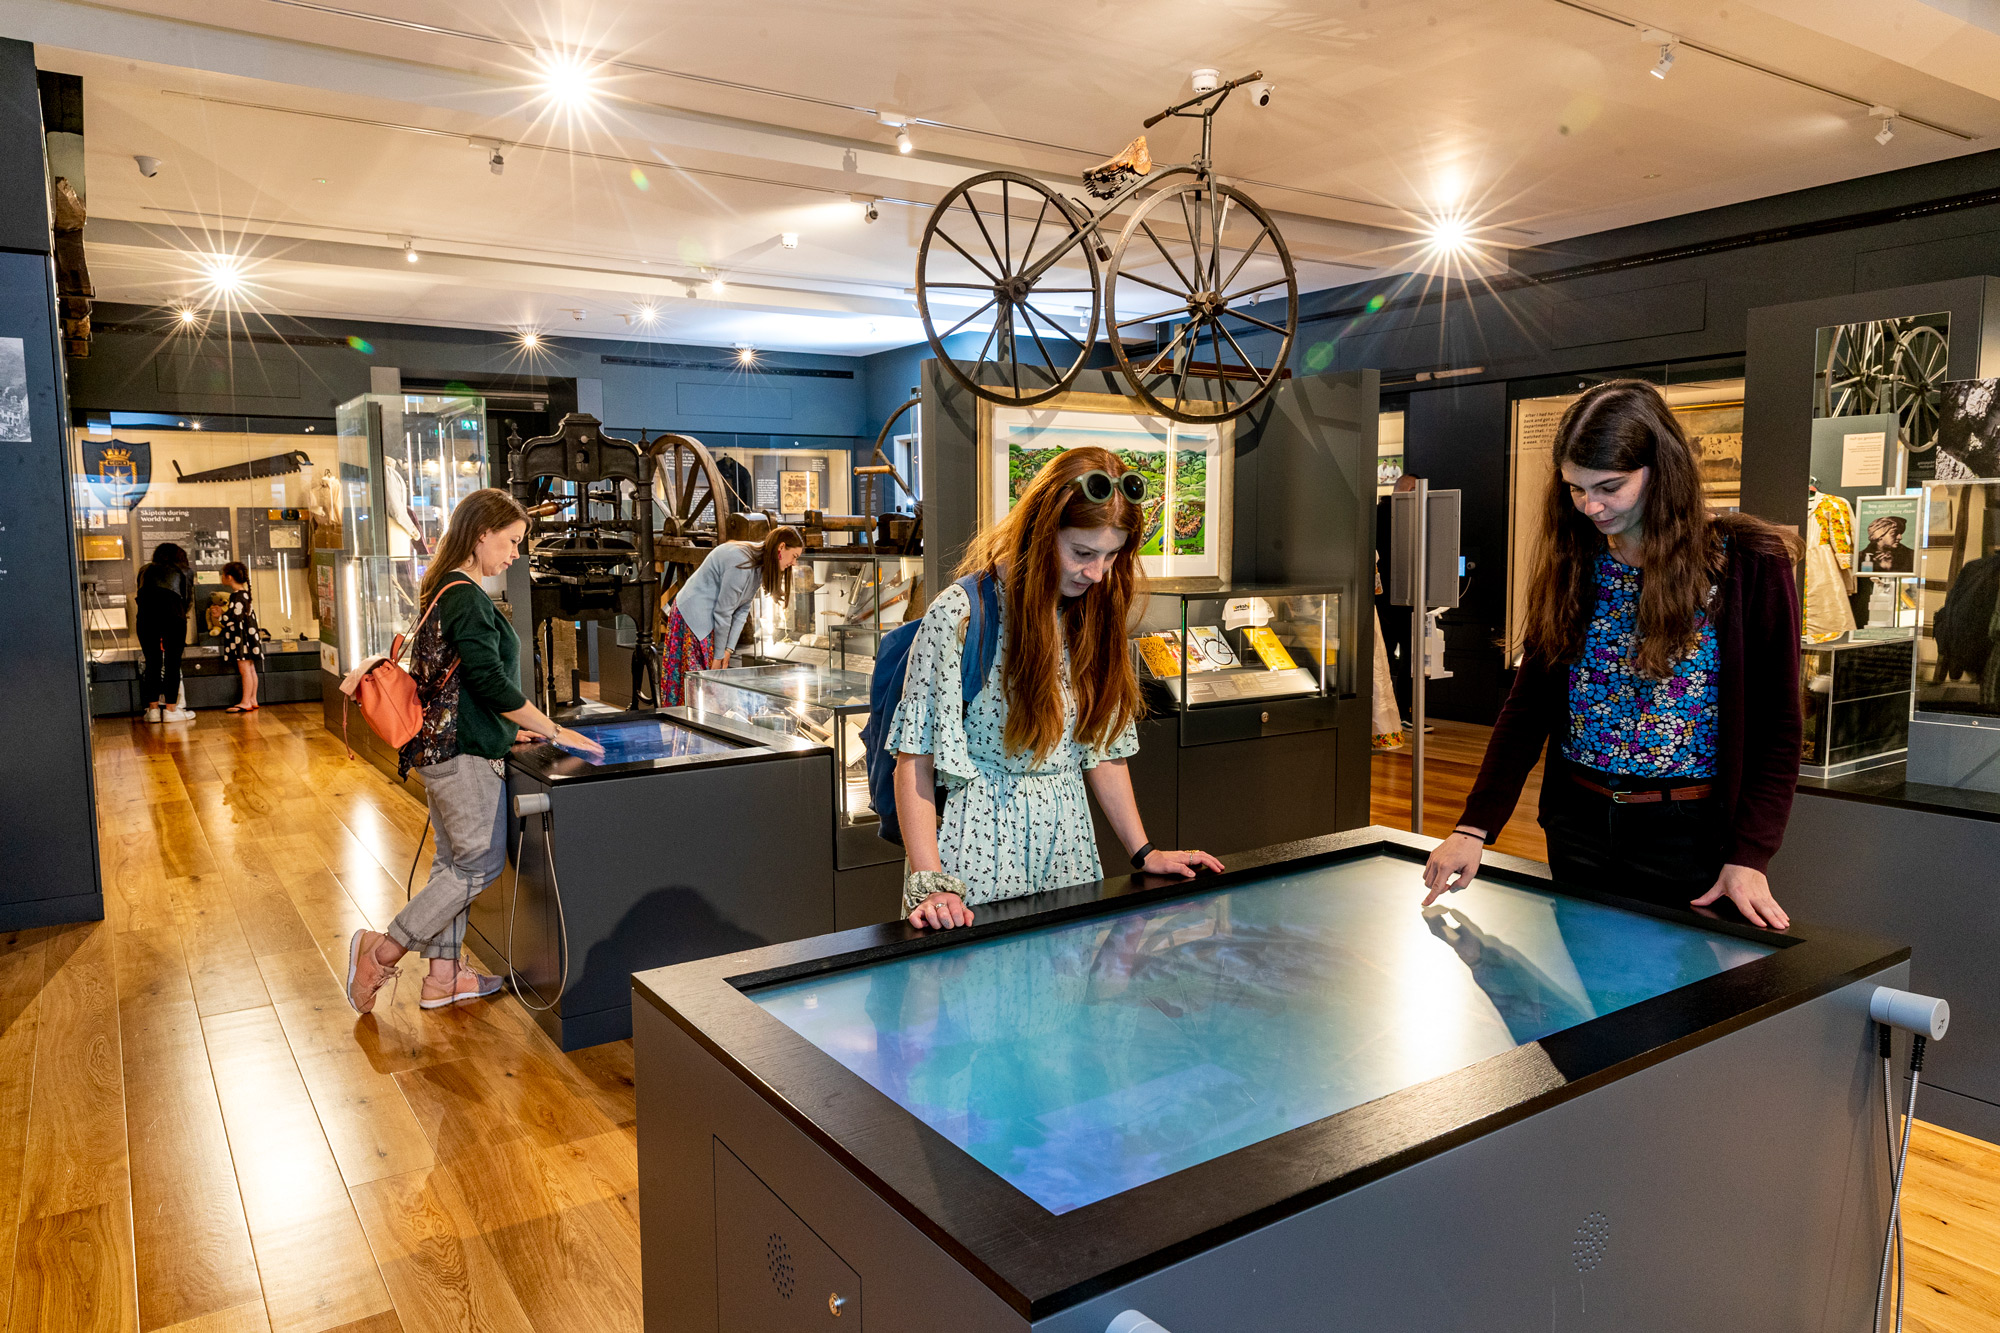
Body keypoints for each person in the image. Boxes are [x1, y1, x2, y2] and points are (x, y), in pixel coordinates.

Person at [1420, 380, 1803, 929]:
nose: (1591, 506)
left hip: (1692, 837)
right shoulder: (1575, 561)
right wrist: (1473, 826)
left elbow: (1777, 725)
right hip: (1578, 826)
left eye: (1610, 486)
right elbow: (1528, 708)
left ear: (1661, 471)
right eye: (1575, 488)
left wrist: (1750, 854)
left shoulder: (1748, 562)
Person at [891, 446, 1223, 931]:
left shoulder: (1093, 610)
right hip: (977, 845)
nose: (1097, 572)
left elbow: (1101, 747)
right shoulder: (959, 614)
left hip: (1067, 843)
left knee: (1067, 972)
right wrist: (931, 884)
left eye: (1111, 555)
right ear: (1040, 533)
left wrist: (1144, 851)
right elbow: (915, 760)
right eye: (1082, 553)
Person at [345, 488, 605, 1014]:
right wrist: (552, 729)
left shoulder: (443, 587)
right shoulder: (464, 595)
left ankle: (442, 979)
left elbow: (463, 685)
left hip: (443, 749)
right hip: (462, 755)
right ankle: (381, 951)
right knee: (477, 869)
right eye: (511, 541)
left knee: (453, 865)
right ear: (481, 534)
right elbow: (488, 682)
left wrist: (508, 732)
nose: (514, 554)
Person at [660, 525, 804, 704]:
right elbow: (723, 613)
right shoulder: (741, 562)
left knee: (710, 677)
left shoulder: (759, 564)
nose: (794, 563)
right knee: (697, 680)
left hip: (712, 616)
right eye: (794, 556)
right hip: (692, 614)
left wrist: (728, 650)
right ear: (781, 547)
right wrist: (718, 657)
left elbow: (743, 609)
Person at [135, 542, 195, 723]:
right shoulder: (184, 571)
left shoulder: (144, 570)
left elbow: (141, 594)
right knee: (172, 663)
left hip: (146, 619)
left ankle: (153, 710)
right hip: (174, 618)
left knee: (152, 662)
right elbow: (187, 599)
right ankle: (170, 710)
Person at [218, 561, 263, 713]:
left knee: (245, 670)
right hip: (249, 637)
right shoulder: (245, 594)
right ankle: (253, 699)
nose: (222, 577)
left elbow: (234, 617)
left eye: (223, 575)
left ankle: (245, 701)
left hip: (241, 638)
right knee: (251, 669)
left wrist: (220, 616)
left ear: (229, 577)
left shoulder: (237, 596)